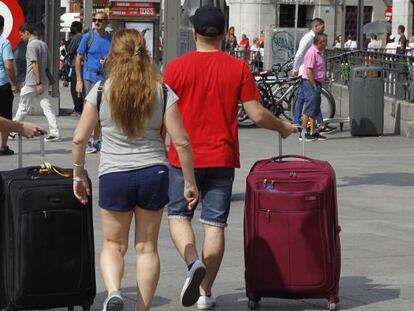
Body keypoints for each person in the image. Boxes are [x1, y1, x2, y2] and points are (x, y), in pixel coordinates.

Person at [163, 5, 296, 309]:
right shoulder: (237, 68)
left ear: (194, 33)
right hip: (222, 157)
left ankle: (192, 262)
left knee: (178, 216)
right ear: (223, 36)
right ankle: (205, 293)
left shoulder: (175, 69)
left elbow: (162, 115)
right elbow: (257, 113)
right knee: (214, 225)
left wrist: (160, 146)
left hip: (182, 158)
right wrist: (283, 127)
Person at [72, 28, 198, 311]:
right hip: (153, 173)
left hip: (114, 174)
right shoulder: (162, 91)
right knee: (147, 247)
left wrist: (78, 174)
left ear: (112, 56)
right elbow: (182, 141)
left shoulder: (102, 91)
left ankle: (115, 292)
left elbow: (79, 138)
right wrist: (189, 181)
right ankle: (142, 308)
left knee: (113, 245)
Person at [12, 23, 60, 142]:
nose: (20, 37)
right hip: (43, 81)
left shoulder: (31, 45)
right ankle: (54, 132)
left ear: (27, 33)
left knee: (23, 107)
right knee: (47, 107)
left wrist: (38, 82)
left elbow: (34, 64)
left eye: (21, 34)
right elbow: (48, 63)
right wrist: (42, 79)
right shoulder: (43, 44)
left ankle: (12, 131)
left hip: (32, 82)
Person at [76, 12, 111, 153]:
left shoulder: (111, 39)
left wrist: (109, 61)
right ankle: (87, 140)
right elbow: (78, 58)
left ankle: (96, 140)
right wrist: (79, 80)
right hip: (89, 78)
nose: (96, 22)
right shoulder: (88, 37)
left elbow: (116, 58)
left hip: (104, 79)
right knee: (89, 111)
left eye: (100, 20)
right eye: (95, 20)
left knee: (101, 112)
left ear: (106, 22)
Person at [292, 18, 334, 135]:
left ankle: (313, 127)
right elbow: (299, 53)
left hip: (311, 74)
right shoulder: (308, 38)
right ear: (316, 26)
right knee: (309, 101)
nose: (324, 29)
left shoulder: (316, 45)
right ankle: (306, 128)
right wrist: (295, 68)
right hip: (306, 73)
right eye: (322, 27)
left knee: (308, 100)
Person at [300, 33, 328, 141]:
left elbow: (318, 69)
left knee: (314, 108)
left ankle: (313, 131)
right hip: (310, 82)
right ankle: (303, 132)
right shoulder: (312, 53)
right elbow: (309, 70)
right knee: (309, 107)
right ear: (320, 42)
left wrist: (323, 78)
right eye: (325, 42)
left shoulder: (319, 53)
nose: (326, 44)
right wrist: (314, 84)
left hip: (316, 82)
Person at [0, 15, 21, 155]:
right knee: (5, 116)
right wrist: (15, 83)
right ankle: (3, 146)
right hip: (2, 85)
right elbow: (8, 66)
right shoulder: (4, 43)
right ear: (2, 27)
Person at [66, 21, 83, 116]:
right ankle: (79, 108)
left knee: (74, 88)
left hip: (76, 65)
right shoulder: (81, 36)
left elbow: (70, 50)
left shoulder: (77, 37)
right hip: (79, 65)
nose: (70, 29)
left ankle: (77, 109)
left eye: (71, 27)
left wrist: (67, 44)